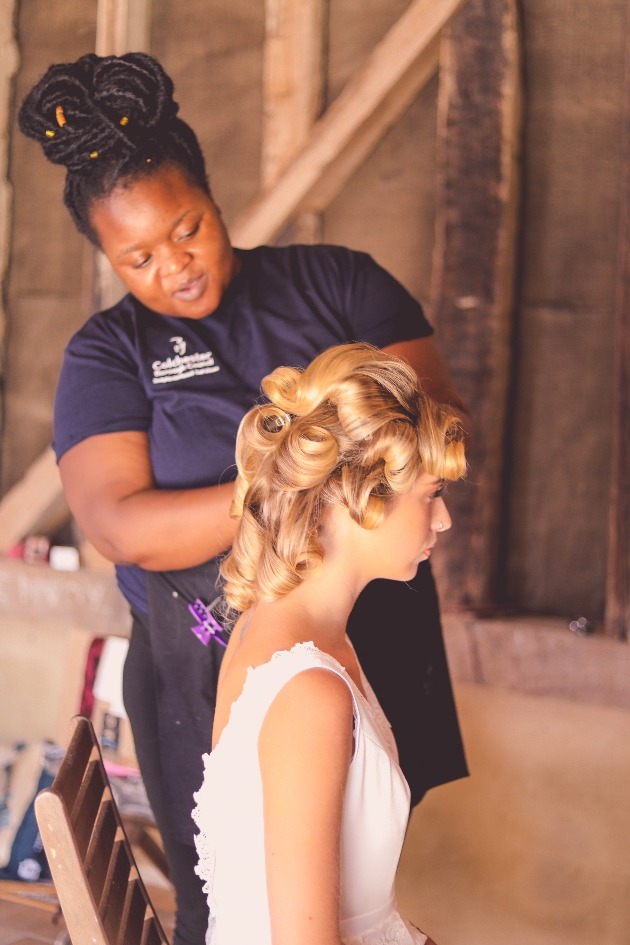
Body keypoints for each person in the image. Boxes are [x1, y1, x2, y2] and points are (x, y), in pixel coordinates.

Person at [18, 52, 470, 945]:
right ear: (104, 256)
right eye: (137, 256)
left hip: (363, 621)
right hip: (209, 656)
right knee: (222, 896)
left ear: (214, 198)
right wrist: (296, 480)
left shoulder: (335, 283)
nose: (173, 267)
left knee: (349, 865)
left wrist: (325, 474)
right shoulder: (108, 355)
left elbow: (427, 428)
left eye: (186, 228)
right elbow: (121, 526)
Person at [192, 342, 467, 945]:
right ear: (354, 498)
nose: (442, 521)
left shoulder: (291, 629)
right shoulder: (310, 692)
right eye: (430, 496)